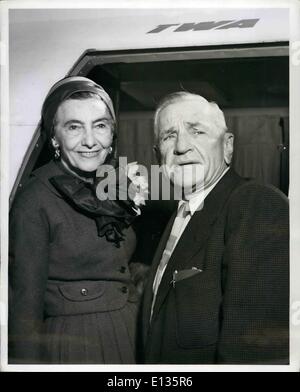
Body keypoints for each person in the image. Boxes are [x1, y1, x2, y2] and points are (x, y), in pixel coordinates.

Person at [140, 91, 289, 364]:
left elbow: (255, 352)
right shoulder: (182, 212)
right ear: (157, 155)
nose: (181, 146)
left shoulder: (255, 203)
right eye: (168, 136)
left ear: (228, 146)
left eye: (197, 132)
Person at [9, 76, 140, 364]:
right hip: (78, 346)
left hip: (127, 333)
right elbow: (24, 309)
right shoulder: (35, 200)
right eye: (74, 127)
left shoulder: (111, 184)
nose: (90, 141)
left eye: (100, 125)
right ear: (54, 138)